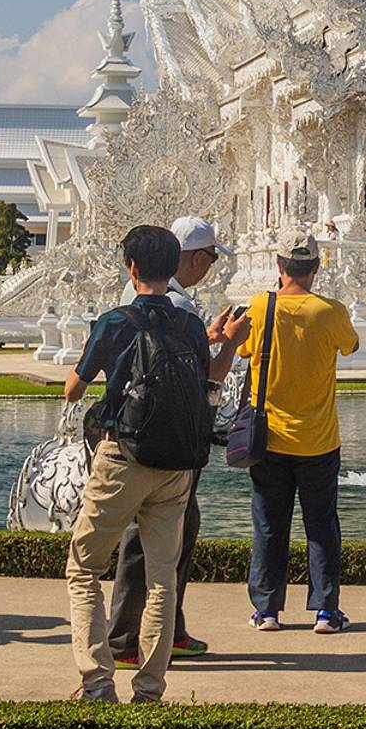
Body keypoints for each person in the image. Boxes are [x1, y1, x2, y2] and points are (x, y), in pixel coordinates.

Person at [64, 225, 247, 703]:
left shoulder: (114, 321)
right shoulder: (189, 323)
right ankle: (149, 689)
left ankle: (97, 682)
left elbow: (73, 390)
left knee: (84, 568)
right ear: (174, 267)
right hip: (175, 465)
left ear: (131, 268)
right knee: (163, 579)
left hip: (122, 457)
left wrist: (91, 361)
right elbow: (212, 377)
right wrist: (228, 342)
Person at [109, 215, 238, 669]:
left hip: (141, 429)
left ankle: (163, 629)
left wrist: (208, 336)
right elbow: (202, 376)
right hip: (169, 432)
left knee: (170, 530)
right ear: (194, 258)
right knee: (153, 538)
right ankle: (129, 636)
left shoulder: (148, 298)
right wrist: (228, 344)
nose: (210, 267)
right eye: (210, 259)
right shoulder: (176, 306)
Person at [238, 231, 359, 634]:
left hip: (268, 438)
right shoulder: (331, 311)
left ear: (279, 265)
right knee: (321, 526)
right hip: (318, 439)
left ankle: (267, 611)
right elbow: (351, 346)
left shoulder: (259, 307)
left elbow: (242, 350)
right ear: (316, 268)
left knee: (269, 526)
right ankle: (325, 611)